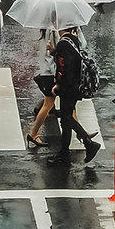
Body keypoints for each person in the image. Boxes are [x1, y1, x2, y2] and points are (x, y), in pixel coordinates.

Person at [44, 27, 102, 159]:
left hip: (69, 88)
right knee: (65, 119)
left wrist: (59, 86)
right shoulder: (72, 40)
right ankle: (64, 152)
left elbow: (66, 68)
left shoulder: (63, 43)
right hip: (75, 86)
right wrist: (54, 51)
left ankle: (89, 144)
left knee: (67, 118)